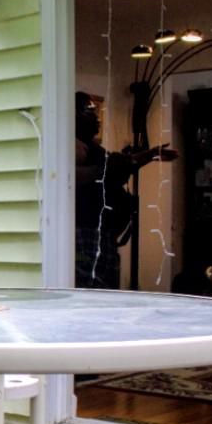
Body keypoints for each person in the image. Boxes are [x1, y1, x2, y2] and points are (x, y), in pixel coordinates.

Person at [74, 92, 133, 289]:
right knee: (94, 289)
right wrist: (104, 171)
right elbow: (71, 176)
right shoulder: (74, 147)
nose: (97, 118)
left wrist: (147, 156)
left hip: (103, 233)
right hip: (87, 232)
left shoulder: (93, 148)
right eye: (90, 111)